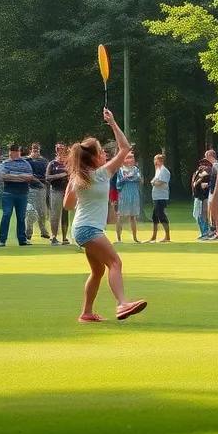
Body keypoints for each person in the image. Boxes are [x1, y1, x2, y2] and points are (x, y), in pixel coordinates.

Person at [65, 108, 148, 323]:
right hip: (89, 229)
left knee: (98, 271)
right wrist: (112, 123)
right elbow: (125, 148)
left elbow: (68, 205)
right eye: (101, 152)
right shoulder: (102, 174)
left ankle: (86, 313)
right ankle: (122, 304)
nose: (105, 155)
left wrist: (71, 185)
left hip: (81, 228)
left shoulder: (77, 178)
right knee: (115, 263)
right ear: (93, 159)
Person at [0, 143, 33, 247]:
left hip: (22, 193)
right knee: (6, 215)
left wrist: (13, 175)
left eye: (17, 151)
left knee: (21, 217)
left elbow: (29, 176)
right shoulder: (4, 163)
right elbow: (3, 176)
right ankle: (2, 239)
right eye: (13, 151)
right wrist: (20, 176)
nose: (15, 153)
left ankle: (22, 240)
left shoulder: (26, 163)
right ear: (10, 152)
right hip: (9, 193)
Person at [24, 143, 51, 241]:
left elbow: (47, 174)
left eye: (37, 149)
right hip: (30, 188)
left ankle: (43, 231)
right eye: (33, 149)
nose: (35, 150)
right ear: (30, 149)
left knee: (42, 211)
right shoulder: (26, 161)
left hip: (42, 189)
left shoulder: (44, 161)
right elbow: (28, 174)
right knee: (30, 211)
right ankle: (28, 232)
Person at [47, 144, 71, 245]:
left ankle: (65, 237)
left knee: (65, 214)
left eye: (64, 152)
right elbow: (47, 177)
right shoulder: (52, 164)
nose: (62, 154)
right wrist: (61, 175)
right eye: (60, 152)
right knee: (55, 214)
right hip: (56, 190)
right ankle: (54, 236)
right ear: (57, 152)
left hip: (66, 191)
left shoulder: (69, 163)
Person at [149, 153, 172, 243]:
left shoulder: (164, 171)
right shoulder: (158, 170)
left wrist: (154, 183)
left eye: (156, 160)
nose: (155, 162)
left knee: (161, 215)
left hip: (162, 197)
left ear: (161, 161)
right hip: (156, 196)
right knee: (155, 216)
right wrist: (154, 182)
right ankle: (154, 236)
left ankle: (167, 236)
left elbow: (160, 182)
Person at [204, 149, 218, 240]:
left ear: (210, 156)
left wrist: (215, 194)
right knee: (213, 213)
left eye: (207, 156)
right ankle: (217, 232)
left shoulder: (217, 165)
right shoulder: (215, 165)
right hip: (212, 191)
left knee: (216, 214)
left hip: (216, 192)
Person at [191, 159, 212, 239]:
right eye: (201, 164)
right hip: (198, 197)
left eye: (205, 164)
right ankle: (203, 232)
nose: (202, 165)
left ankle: (205, 232)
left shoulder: (207, 175)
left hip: (203, 197)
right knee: (196, 214)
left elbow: (209, 183)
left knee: (202, 215)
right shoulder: (197, 174)